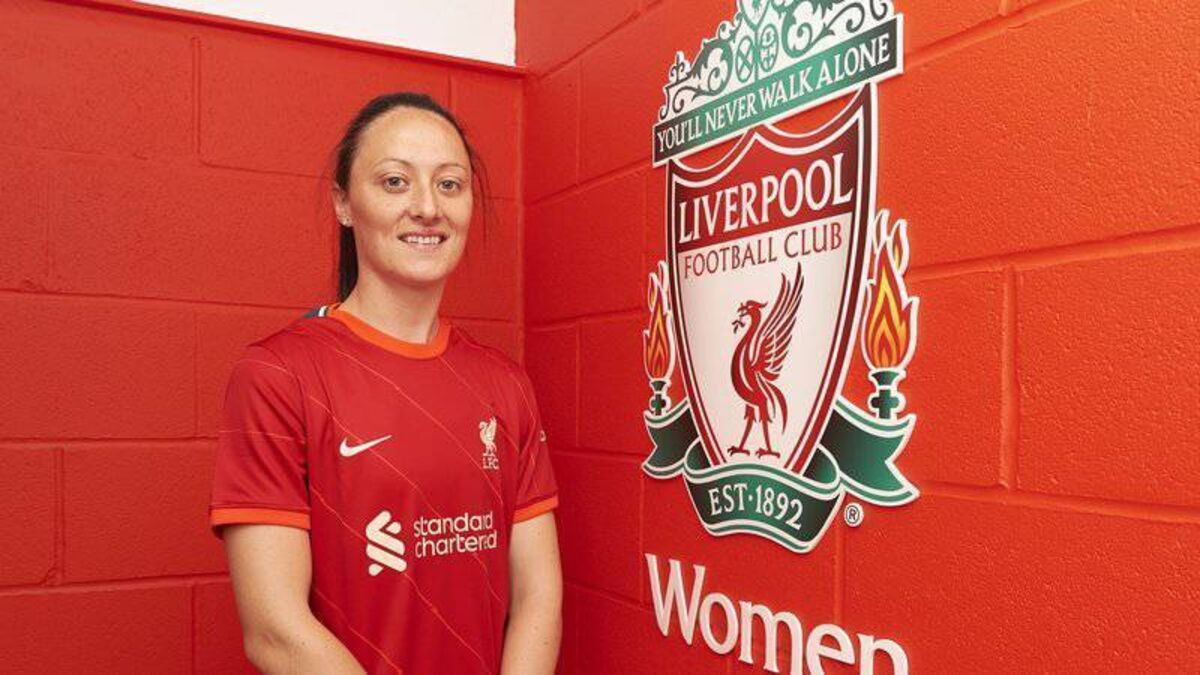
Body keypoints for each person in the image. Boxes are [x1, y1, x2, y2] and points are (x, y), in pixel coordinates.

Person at [208, 92, 562, 674]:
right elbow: (275, 631)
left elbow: (537, 597)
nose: (427, 207)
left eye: (449, 184)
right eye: (395, 182)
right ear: (344, 204)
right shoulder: (277, 375)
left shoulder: (505, 383)